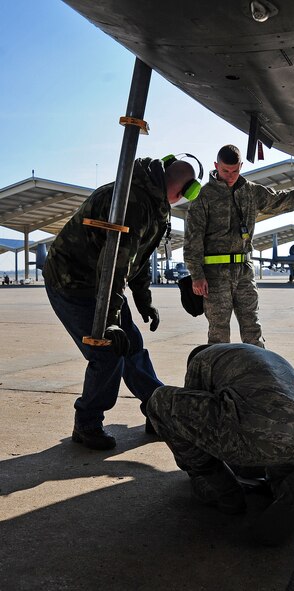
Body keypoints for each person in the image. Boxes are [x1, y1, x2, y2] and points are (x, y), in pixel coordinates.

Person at [43, 156, 197, 450]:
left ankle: (157, 408)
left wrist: (143, 300)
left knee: (132, 346)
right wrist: (112, 319)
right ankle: (87, 422)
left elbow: (137, 258)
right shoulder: (131, 202)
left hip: (102, 283)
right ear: (185, 191)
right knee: (107, 351)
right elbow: (113, 265)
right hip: (73, 282)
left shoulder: (154, 202)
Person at [147, 343, 294, 545]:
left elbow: (195, 426)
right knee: (279, 446)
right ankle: (287, 488)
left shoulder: (201, 360)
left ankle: (221, 490)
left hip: (255, 433)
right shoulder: (264, 357)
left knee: (160, 401)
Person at [184, 145, 294, 346]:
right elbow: (193, 238)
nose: (231, 176)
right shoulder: (203, 196)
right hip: (215, 275)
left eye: (235, 170)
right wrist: (197, 276)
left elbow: (282, 201)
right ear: (216, 166)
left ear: (241, 166)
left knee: (252, 329)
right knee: (218, 333)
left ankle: (257, 375)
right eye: (225, 171)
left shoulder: (251, 192)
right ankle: (219, 376)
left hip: (244, 272)